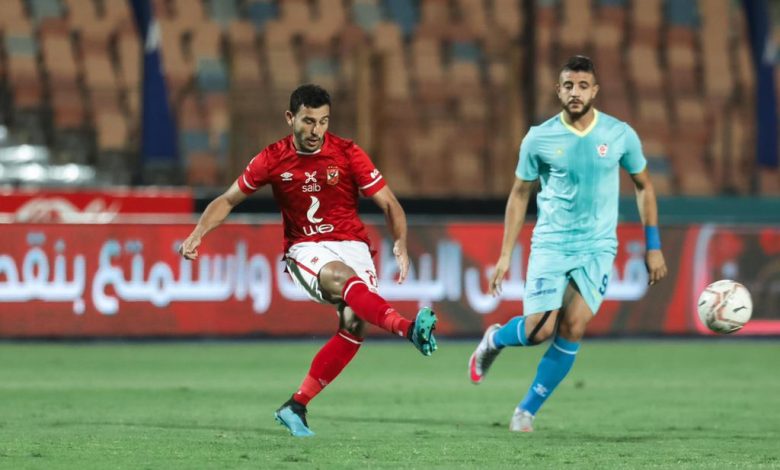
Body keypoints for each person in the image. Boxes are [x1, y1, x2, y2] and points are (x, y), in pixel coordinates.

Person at [179, 84, 438, 437]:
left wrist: (401, 243)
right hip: (306, 247)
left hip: (353, 245)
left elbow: (390, 203)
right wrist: (198, 233)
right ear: (291, 118)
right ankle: (407, 329)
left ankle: (296, 405)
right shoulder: (272, 158)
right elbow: (227, 200)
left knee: (354, 325)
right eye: (309, 121)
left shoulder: (347, 153)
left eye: (324, 121)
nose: (317, 131)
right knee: (343, 279)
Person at [468, 56, 667, 432]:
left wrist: (653, 245)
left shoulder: (619, 134)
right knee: (539, 330)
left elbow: (644, 187)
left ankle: (525, 411)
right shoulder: (538, 138)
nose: (576, 92)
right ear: (558, 91)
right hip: (552, 245)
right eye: (569, 86)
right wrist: (505, 254)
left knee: (573, 326)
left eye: (583, 86)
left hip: (598, 248)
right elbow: (519, 194)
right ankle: (494, 340)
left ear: (595, 91)